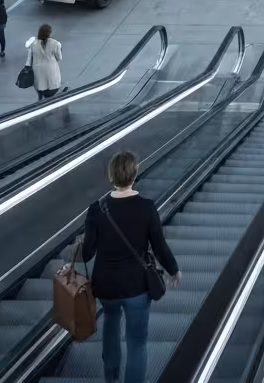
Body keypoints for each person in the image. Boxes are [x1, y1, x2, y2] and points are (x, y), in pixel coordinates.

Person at [82, 151, 182, 383]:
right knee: (137, 342)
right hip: (137, 286)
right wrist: (173, 269)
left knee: (110, 321)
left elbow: (87, 254)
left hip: (106, 286)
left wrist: (86, 237)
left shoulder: (96, 209)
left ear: (111, 175)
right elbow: (159, 247)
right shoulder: (146, 207)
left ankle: (111, 377)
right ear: (134, 174)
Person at [27, 24, 62, 100]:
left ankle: (41, 97)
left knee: (40, 86)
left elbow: (29, 58)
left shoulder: (33, 44)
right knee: (52, 86)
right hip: (51, 69)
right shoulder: (56, 43)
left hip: (37, 69)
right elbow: (59, 58)